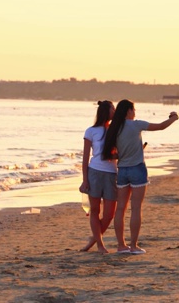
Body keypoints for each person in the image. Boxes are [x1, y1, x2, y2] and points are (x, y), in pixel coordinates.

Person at [102, 99, 179, 254]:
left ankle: (121, 245)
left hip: (122, 170)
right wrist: (173, 118)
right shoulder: (136, 125)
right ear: (129, 111)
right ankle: (134, 246)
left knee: (121, 209)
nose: (135, 112)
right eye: (134, 109)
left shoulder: (114, 128)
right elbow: (160, 127)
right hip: (137, 169)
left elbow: (114, 153)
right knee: (136, 208)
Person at [78, 100, 118, 254]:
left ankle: (93, 240)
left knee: (109, 215)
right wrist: (85, 180)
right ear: (105, 111)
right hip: (94, 172)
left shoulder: (115, 130)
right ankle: (100, 245)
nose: (115, 111)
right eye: (112, 109)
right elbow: (85, 157)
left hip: (111, 174)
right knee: (94, 210)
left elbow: (119, 152)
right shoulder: (91, 131)